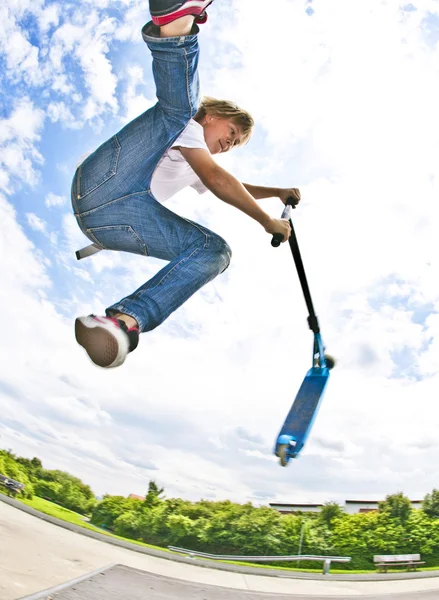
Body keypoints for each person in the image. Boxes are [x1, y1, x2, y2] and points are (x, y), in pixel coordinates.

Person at [72, 0, 300, 369]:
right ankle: (175, 24)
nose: (230, 144)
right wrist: (267, 221)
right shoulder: (189, 126)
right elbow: (219, 179)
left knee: (214, 252)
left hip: (114, 224)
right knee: (177, 111)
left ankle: (122, 323)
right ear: (213, 116)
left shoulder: (196, 160)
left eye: (236, 144)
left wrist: (277, 193)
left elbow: (226, 182)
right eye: (232, 133)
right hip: (103, 185)